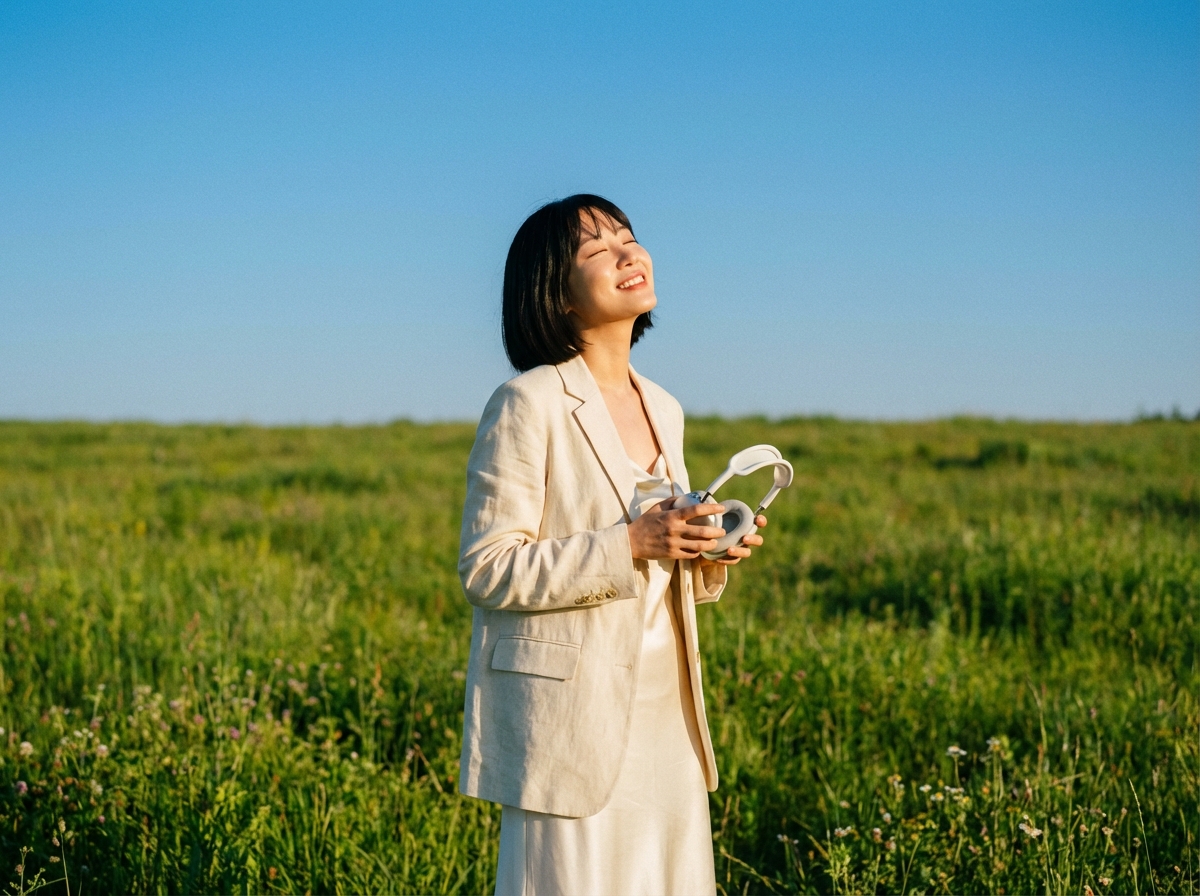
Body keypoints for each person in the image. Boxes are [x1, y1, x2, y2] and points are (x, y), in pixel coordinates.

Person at [456, 194, 768, 896]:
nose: (628, 254)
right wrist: (628, 542)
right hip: (571, 720)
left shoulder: (664, 406)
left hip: (668, 713)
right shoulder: (526, 402)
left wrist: (707, 549)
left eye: (628, 238)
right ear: (556, 296)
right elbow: (488, 567)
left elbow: (658, 557)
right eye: (596, 251)